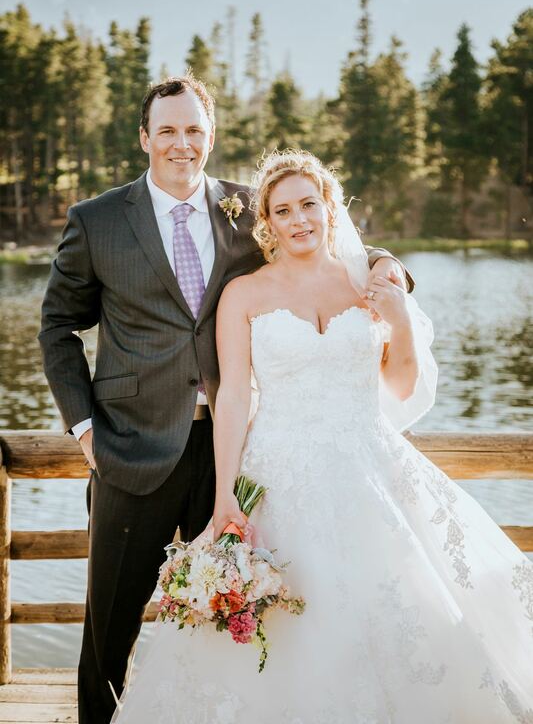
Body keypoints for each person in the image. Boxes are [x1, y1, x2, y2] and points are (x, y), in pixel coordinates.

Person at [113, 149, 533, 724]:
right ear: (267, 221)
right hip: (279, 472)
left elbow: (401, 385)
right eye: (283, 211)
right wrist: (225, 495)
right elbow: (232, 396)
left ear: (330, 207)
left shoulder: (369, 284)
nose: (299, 220)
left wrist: (401, 321)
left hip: (371, 468)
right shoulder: (245, 294)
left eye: (309, 204)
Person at [38, 75, 410, 724]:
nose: (181, 143)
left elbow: (323, 241)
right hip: (130, 449)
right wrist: (86, 431)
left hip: (233, 454)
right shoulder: (96, 221)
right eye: (168, 130)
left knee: (229, 623)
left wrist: (388, 265)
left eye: (194, 130)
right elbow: (57, 328)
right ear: (144, 137)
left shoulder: (246, 209)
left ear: (210, 136)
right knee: (110, 633)